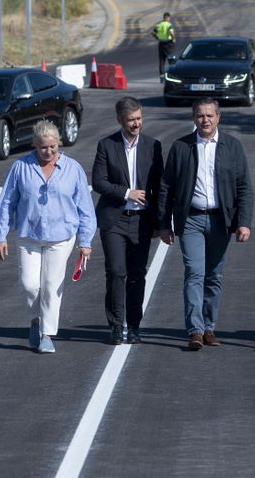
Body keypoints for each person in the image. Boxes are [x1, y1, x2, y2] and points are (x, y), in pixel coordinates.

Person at [157, 98, 254, 351]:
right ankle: (195, 330)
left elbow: (244, 187)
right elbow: (166, 186)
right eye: (200, 116)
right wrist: (164, 223)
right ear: (194, 118)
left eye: (210, 115)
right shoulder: (181, 147)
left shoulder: (232, 147)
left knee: (214, 276)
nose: (205, 120)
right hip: (191, 219)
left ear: (218, 117)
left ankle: (210, 326)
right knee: (194, 272)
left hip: (221, 220)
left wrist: (243, 222)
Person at [0, 120, 97, 354]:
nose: (48, 152)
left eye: (53, 147)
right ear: (35, 145)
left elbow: (85, 207)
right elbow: (7, 201)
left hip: (61, 237)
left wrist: (86, 241)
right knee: (30, 285)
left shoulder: (73, 169)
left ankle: (47, 334)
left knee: (51, 285)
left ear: (59, 143)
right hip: (29, 235)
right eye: (43, 148)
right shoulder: (21, 167)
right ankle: (35, 321)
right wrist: (0, 235)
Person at [92, 96, 164, 345]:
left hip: (142, 221)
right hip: (114, 219)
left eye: (139, 118)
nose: (136, 124)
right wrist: (127, 193)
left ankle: (133, 326)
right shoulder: (107, 145)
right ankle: (115, 325)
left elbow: (158, 186)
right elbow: (99, 182)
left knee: (137, 275)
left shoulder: (153, 146)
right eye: (131, 120)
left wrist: (160, 222)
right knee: (115, 272)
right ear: (120, 120)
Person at [151, 12, 176, 82]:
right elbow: (171, 33)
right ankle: (172, 76)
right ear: (168, 17)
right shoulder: (169, 25)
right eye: (169, 18)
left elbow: (152, 33)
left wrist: (157, 38)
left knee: (162, 62)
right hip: (168, 44)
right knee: (171, 60)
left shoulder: (159, 24)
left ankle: (162, 78)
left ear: (163, 17)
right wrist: (173, 39)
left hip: (161, 43)